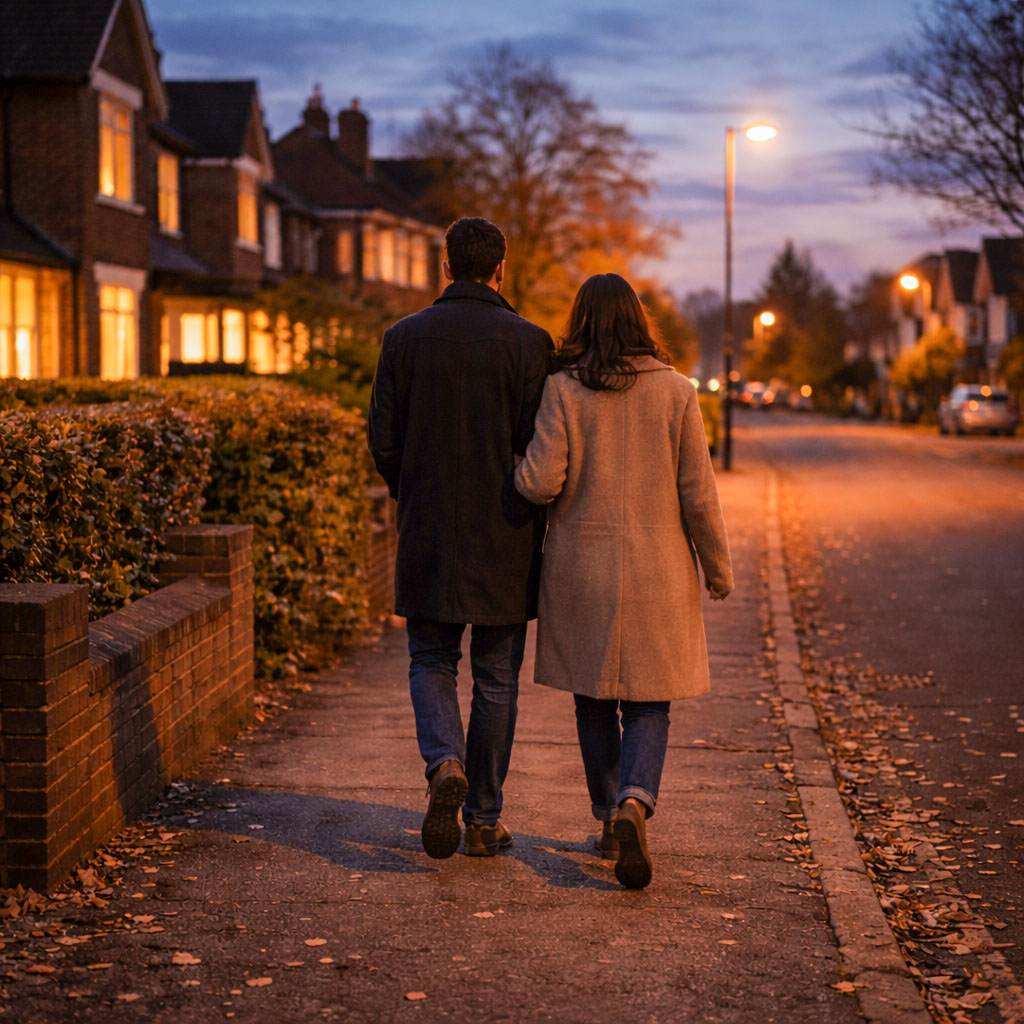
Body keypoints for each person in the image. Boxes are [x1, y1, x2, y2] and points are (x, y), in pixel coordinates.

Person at [513, 273, 733, 889]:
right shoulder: (676, 393)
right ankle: (636, 800)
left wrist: (512, 466)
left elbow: (539, 482)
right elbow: (698, 492)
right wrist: (717, 568)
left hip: (582, 568)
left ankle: (610, 819)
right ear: (639, 321)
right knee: (648, 703)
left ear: (580, 320)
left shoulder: (562, 389)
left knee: (593, 701)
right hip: (658, 569)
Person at [367, 217, 553, 860]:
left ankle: (444, 762)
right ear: (501, 269)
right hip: (505, 533)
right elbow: (540, 447)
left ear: (445, 267)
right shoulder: (532, 344)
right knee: (497, 677)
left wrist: (414, 489)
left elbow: (383, 442)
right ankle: (482, 819)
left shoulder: (403, 338)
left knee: (430, 660)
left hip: (428, 532)